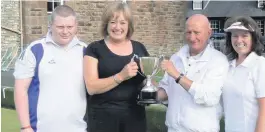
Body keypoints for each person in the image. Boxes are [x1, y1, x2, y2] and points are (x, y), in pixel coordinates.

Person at [13, 5, 87, 132]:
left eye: (69, 27)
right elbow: (20, 89)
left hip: (79, 128)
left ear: (76, 26)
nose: (65, 31)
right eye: (60, 27)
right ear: (51, 25)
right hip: (41, 128)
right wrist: (25, 127)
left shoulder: (86, 50)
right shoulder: (35, 50)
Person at [83, 2, 149, 132]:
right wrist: (120, 76)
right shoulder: (94, 48)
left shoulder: (140, 48)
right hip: (102, 118)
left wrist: (151, 82)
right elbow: (91, 87)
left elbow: (147, 81)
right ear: (106, 25)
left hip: (135, 117)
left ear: (128, 26)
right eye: (113, 22)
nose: (117, 27)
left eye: (123, 23)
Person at [157, 14, 229, 132]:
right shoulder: (176, 58)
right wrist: (148, 90)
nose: (192, 37)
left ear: (209, 33)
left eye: (197, 32)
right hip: (173, 129)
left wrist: (178, 76)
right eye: (188, 32)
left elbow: (209, 97)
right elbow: (166, 90)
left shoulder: (218, 61)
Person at [222, 16, 265, 132]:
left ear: (254, 39)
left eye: (244, 36)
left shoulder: (262, 66)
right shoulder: (228, 66)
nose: (239, 40)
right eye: (235, 35)